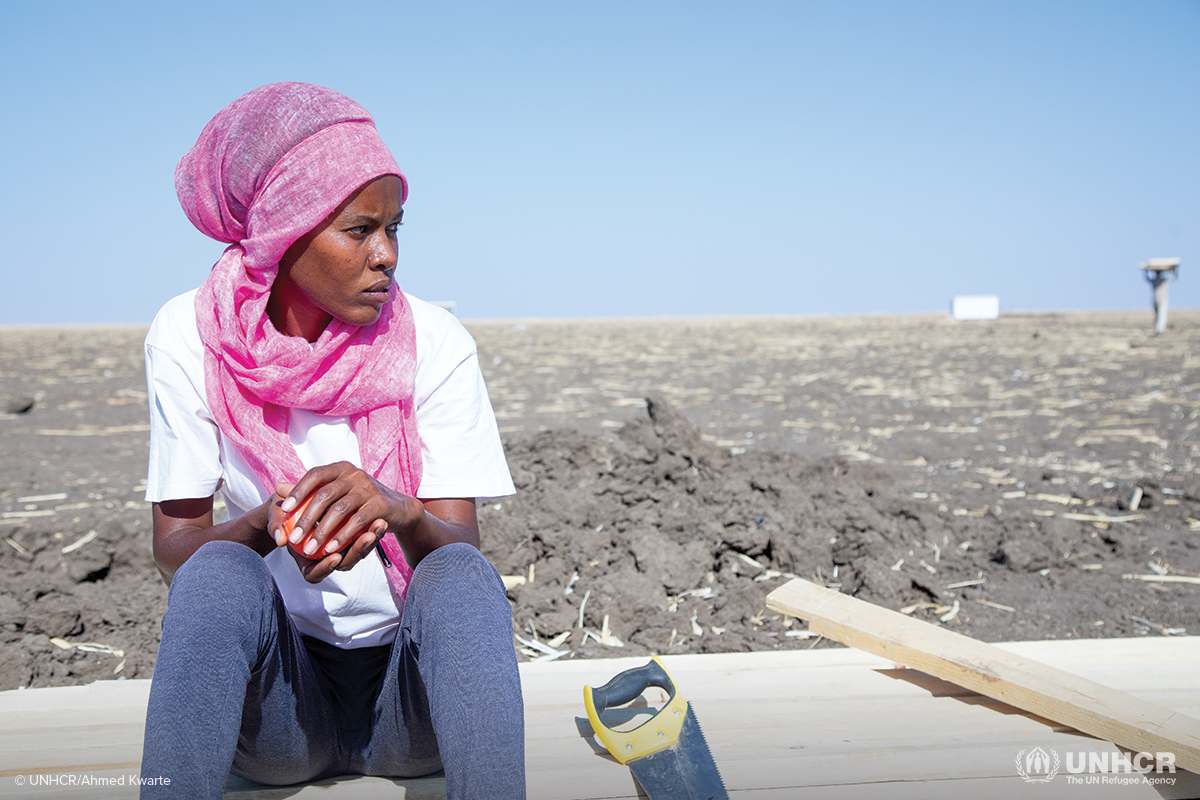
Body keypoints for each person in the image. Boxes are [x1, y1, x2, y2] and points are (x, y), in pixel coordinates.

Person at [139, 82, 524, 799]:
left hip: (410, 711)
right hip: (283, 713)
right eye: (359, 229)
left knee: (465, 578)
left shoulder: (434, 342)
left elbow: (460, 546)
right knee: (219, 574)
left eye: (396, 228)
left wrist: (397, 511)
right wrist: (269, 526)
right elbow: (174, 550)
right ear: (284, 233)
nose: (387, 255)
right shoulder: (190, 336)